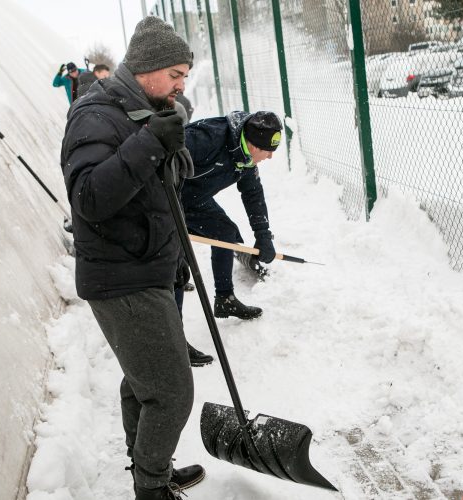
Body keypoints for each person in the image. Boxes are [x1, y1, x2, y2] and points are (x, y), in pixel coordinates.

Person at [60, 16, 205, 500]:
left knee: (143, 383)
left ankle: (151, 466)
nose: (183, 86)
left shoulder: (143, 109)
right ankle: (152, 486)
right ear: (147, 69)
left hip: (147, 266)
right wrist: (150, 144)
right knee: (172, 392)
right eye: (177, 74)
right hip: (121, 276)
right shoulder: (95, 115)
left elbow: (159, 189)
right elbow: (89, 198)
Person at [179, 110, 282, 320]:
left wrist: (263, 235)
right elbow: (158, 159)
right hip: (168, 200)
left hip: (196, 200)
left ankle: (225, 299)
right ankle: (174, 336)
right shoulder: (206, 139)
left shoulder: (246, 158)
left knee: (224, 232)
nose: (270, 156)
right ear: (254, 146)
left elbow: (253, 194)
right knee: (175, 264)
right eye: (268, 151)